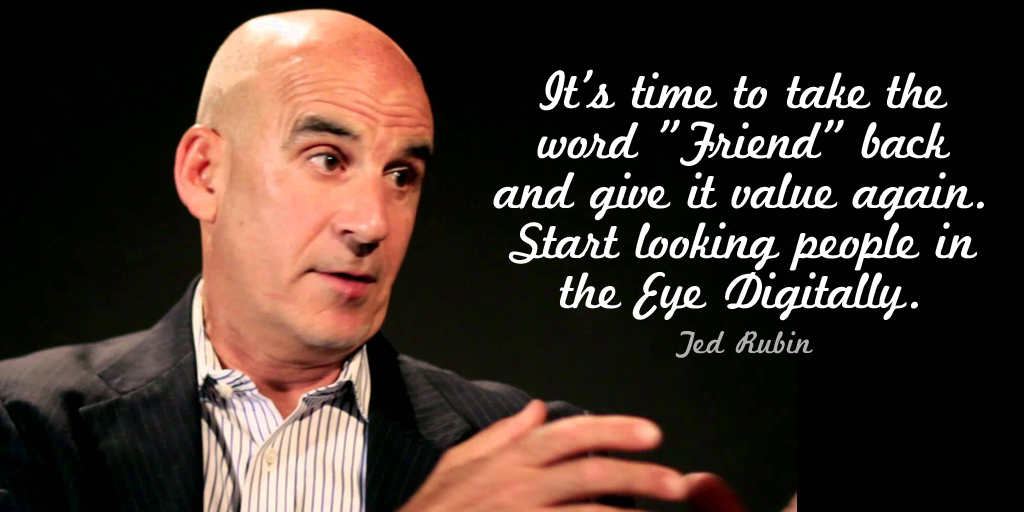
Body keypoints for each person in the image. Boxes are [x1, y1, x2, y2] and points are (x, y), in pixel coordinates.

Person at [0, 9, 791, 512]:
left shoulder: (525, 452)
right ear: (205, 173)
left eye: (402, 175)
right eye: (326, 159)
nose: (373, 222)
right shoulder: (22, 424)